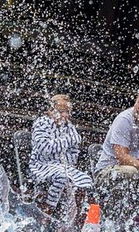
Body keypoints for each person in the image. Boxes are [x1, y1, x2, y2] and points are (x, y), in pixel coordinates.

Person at [30, 93, 93, 224]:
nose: (65, 115)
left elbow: (73, 155)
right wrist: (67, 140)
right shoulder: (42, 122)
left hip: (64, 166)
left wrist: (61, 147)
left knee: (87, 182)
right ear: (50, 110)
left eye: (67, 111)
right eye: (61, 111)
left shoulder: (69, 126)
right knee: (62, 176)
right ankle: (48, 210)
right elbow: (44, 148)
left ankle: (75, 219)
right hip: (41, 164)